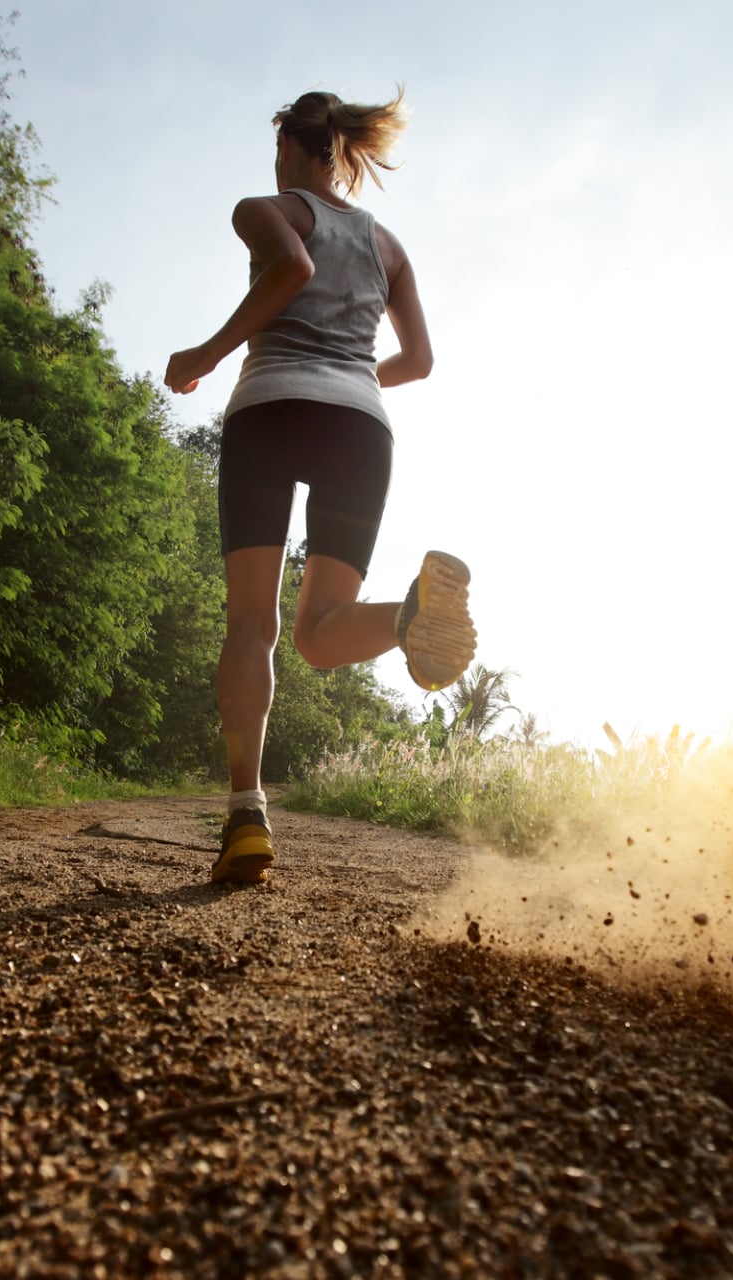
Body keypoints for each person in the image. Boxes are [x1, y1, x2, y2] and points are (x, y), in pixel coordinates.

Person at [164, 88, 476, 885]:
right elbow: (421, 362)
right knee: (321, 631)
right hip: (361, 426)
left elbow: (292, 267)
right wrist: (347, 374)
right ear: (341, 150)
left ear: (290, 150)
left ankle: (245, 815)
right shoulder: (389, 245)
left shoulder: (265, 209)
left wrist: (204, 354)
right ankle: (411, 617)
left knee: (254, 626)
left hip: (271, 410)